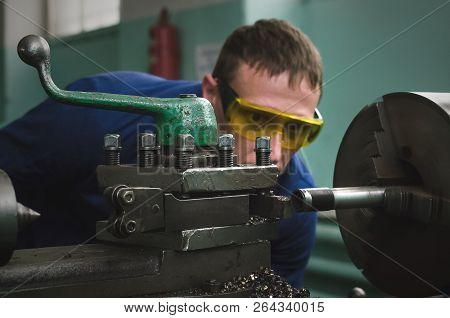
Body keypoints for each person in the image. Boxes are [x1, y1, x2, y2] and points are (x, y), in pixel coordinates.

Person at [0, 19, 323, 288]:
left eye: (300, 130)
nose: (277, 154)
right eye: (255, 120)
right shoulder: (94, 117)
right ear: (211, 91)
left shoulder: (293, 202)